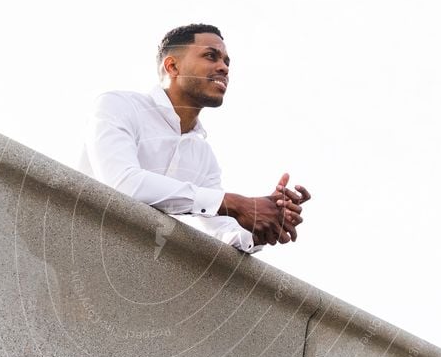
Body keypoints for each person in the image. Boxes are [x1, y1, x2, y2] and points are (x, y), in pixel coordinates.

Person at [80, 23, 309, 253]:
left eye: (227, 62)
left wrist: (261, 227)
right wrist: (235, 203)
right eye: (211, 56)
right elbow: (123, 183)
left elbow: (223, 230)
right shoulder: (118, 106)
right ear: (172, 66)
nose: (224, 68)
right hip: (75, 250)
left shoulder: (203, 155)